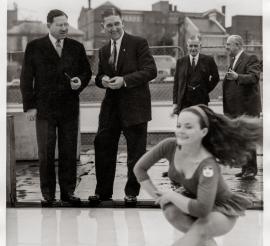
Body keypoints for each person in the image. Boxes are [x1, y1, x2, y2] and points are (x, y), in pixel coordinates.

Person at [134, 104, 261, 246]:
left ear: (203, 132)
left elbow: (202, 210)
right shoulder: (169, 145)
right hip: (193, 201)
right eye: (178, 125)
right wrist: (158, 196)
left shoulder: (208, 166)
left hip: (220, 210)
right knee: (170, 209)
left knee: (202, 225)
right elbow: (139, 169)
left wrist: (172, 196)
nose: (181, 131)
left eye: (188, 127)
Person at [20, 9, 92, 205]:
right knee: (46, 153)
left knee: (69, 152)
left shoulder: (76, 47)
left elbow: (86, 72)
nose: (64, 28)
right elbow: (26, 78)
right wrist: (30, 107)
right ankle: (48, 194)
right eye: (60, 25)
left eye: (66, 24)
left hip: (69, 108)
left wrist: (80, 82)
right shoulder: (35, 47)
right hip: (44, 110)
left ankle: (68, 192)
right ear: (49, 26)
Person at [88, 7, 157, 206]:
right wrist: (104, 80)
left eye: (117, 23)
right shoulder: (103, 50)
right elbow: (99, 76)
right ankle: (103, 193)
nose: (114, 28)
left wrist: (124, 80)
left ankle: (131, 193)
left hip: (135, 108)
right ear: (103, 27)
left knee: (135, 152)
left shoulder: (138, 43)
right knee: (102, 147)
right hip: (111, 108)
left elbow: (150, 70)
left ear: (122, 23)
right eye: (109, 25)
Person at [223, 34, 262, 179]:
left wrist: (237, 77)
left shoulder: (250, 58)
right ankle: (246, 168)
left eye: (228, 44)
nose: (226, 47)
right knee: (241, 139)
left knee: (248, 138)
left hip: (248, 108)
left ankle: (251, 169)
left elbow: (254, 78)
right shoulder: (234, 60)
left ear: (238, 45)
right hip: (237, 108)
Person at [172, 36, 219, 115]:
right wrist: (175, 103)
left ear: (200, 46)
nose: (193, 48)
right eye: (191, 46)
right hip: (184, 101)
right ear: (187, 47)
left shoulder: (208, 60)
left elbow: (216, 78)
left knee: (201, 122)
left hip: (201, 100)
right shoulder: (180, 62)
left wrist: (205, 89)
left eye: (196, 46)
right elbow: (176, 83)